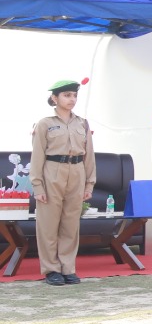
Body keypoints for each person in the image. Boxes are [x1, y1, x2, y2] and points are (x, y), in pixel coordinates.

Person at [31, 78, 95, 287]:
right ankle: (51, 269)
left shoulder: (82, 123)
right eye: (67, 95)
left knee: (70, 225)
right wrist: (38, 185)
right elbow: (37, 156)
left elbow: (89, 156)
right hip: (52, 171)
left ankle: (68, 268)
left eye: (74, 95)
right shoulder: (45, 124)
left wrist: (89, 185)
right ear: (54, 98)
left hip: (76, 172)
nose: (72, 99)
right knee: (48, 225)